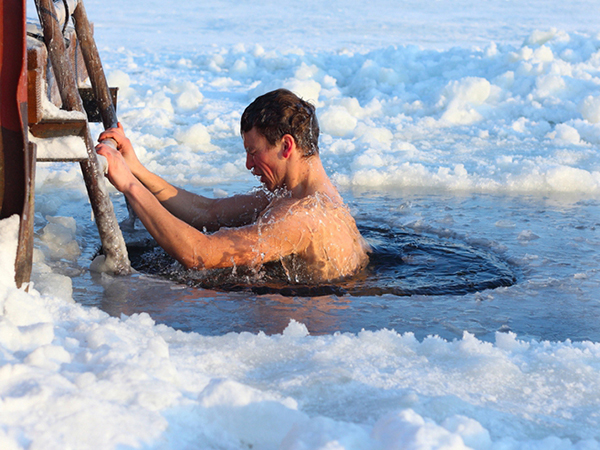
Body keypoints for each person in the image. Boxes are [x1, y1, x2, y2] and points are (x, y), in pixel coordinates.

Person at [96, 88, 369, 283]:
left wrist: (130, 186)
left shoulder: (302, 218)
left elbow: (200, 255)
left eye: (254, 152)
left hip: (303, 333)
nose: (249, 165)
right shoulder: (299, 196)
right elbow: (208, 212)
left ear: (286, 146)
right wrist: (136, 169)